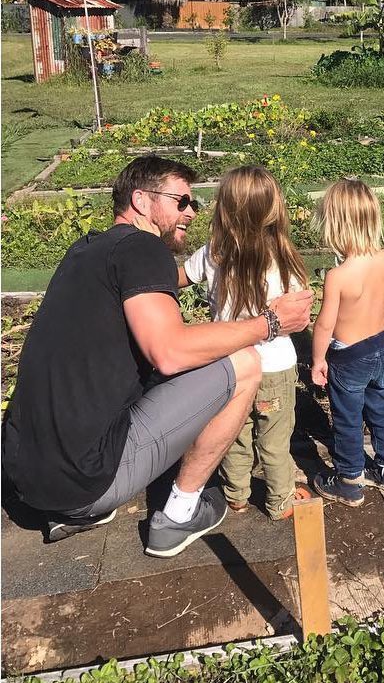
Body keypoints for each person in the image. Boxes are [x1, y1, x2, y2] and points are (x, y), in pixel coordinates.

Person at [2, 156, 312, 557]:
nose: (190, 212)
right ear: (141, 201)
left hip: (28, 476)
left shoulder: (86, 250)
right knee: (244, 362)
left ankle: (81, 510)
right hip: (83, 481)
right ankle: (179, 514)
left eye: (194, 203)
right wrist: (269, 323)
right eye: (180, 201)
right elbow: (168, 354)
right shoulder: (142, 246)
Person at [181, 166, 311, 520]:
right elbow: (300, 314)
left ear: (224, 208)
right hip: (275, 368)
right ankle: (279, 500)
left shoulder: (214, 253)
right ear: (274, 209)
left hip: (230, 364)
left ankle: (235, 495)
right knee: (274, 441)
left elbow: (179, 276)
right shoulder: (283, 258)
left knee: (234, 435)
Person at [310, 179, 384, 507]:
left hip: (348, 357)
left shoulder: (338, 276)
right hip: (381, 347)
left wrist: (318, 359)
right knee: (383, 409)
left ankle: (350, 480)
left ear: (335, 225)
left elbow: (325, 323)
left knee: (348, 418)